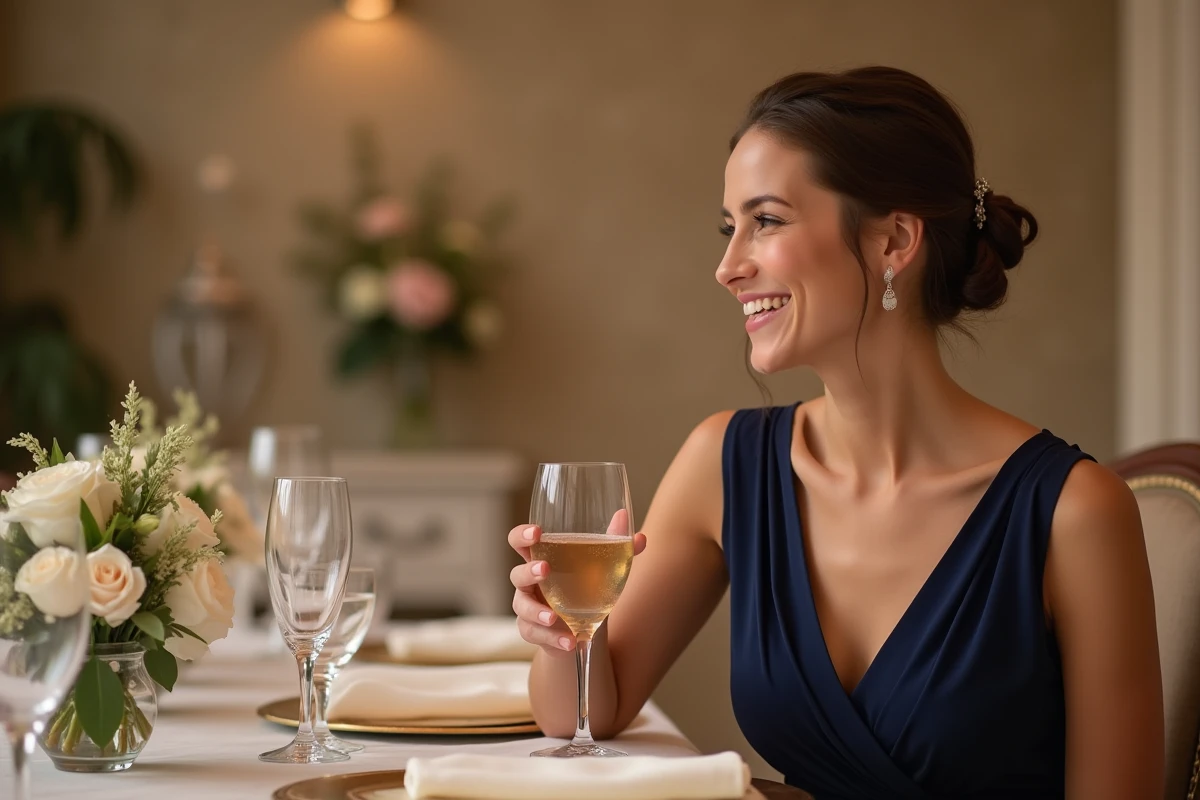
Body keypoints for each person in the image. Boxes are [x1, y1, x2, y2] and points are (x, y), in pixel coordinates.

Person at [507, 66, 1164, 799]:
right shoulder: (725, 463)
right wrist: (562, 636)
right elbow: (582, 716)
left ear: (894, 241)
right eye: (729, 228)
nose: (727, 267)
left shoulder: (1074, 511)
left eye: (767, 221)